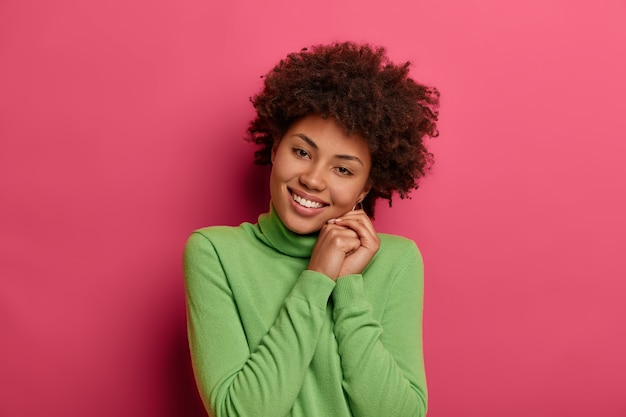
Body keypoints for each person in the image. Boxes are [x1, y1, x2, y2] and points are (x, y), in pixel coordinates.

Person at [183, 42, 440, 417]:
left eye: (343, 170)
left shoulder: (398, 260)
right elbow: (239, 412)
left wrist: (349, 288)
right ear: (275, 149)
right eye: (302, 152)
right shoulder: (214, 253)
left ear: (365, 189)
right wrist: (317, 278)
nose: (313, 179)